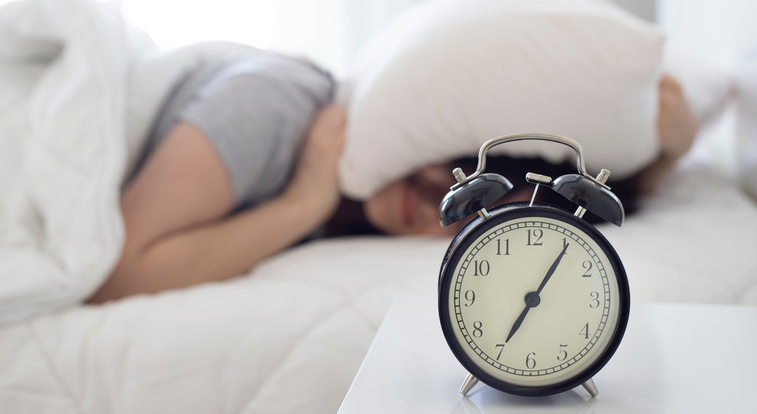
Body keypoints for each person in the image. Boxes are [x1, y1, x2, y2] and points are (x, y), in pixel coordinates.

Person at [87, 55, 696, 304]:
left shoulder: (349, 219)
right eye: (466, 178)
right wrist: (301, 205)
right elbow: (117, 275)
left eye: (474, 217)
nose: (438, 208)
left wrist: (669, 152)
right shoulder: (272, 107)